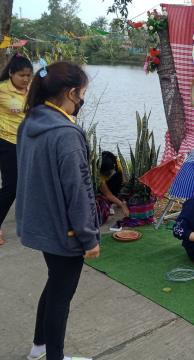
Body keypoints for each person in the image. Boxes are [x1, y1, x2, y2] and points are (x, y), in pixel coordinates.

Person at [16, 61, 100, 360]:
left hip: (40, 224)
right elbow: (77, 191)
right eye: (82, 93)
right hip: (65, 232)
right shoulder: (65, 133)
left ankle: (39, 347)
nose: (82, 100)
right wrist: (88, 238)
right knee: (61, 296)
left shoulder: (31, 120)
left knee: (55, 284)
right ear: (71, 92)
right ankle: (54, 356)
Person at [0, 54, 33, 245]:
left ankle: (30, 222)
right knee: (11, 187)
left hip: (26, 143)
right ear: (11, 73)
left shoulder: (30, 91)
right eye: (22, 75)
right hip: (7, 142)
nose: (26, 79)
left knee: (27, 184)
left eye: (29, 75)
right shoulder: (3, 90)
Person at [96, 150, 129, 225]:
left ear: (114, 166)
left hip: (115, 184)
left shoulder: (119, 164)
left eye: (108, 173)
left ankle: (117, 200)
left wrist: (123, 200)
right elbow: (108, 194)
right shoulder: (98, 174)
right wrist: (122, 205)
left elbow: (125, 184)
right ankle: (108, 204)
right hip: (102, 192)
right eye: (104, 174)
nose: (106, 176)